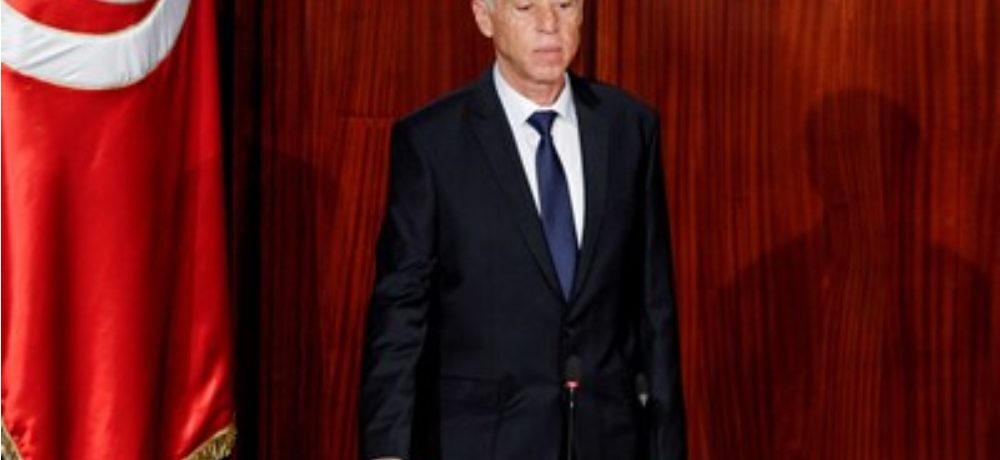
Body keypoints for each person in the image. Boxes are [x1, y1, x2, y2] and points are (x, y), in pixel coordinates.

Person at [359, 1, 686, 459]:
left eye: (564, 4)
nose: (549, 24)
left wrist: (667, 446)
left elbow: (654, 309)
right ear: (484, 16)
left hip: (608, 438)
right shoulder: (433, 143)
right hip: (481, 442)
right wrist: (387, 451)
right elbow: (401, 313)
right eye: (526, 6)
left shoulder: (629, 127)